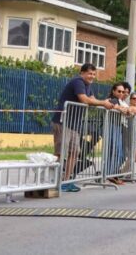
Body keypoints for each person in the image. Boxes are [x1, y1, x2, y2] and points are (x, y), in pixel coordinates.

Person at [52, 63, 115, 192]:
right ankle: (50, 180)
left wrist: (107, 104)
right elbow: (84, 99)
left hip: (74, 124)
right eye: (89, 73)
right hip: (62, 122)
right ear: (82, 73)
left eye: (93, 74)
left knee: (74, 152)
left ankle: (66, 180)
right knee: (59, 153)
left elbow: (92, 99)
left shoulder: (88, 85)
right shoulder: (78, 82)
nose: (92, 76)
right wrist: (103, 102)